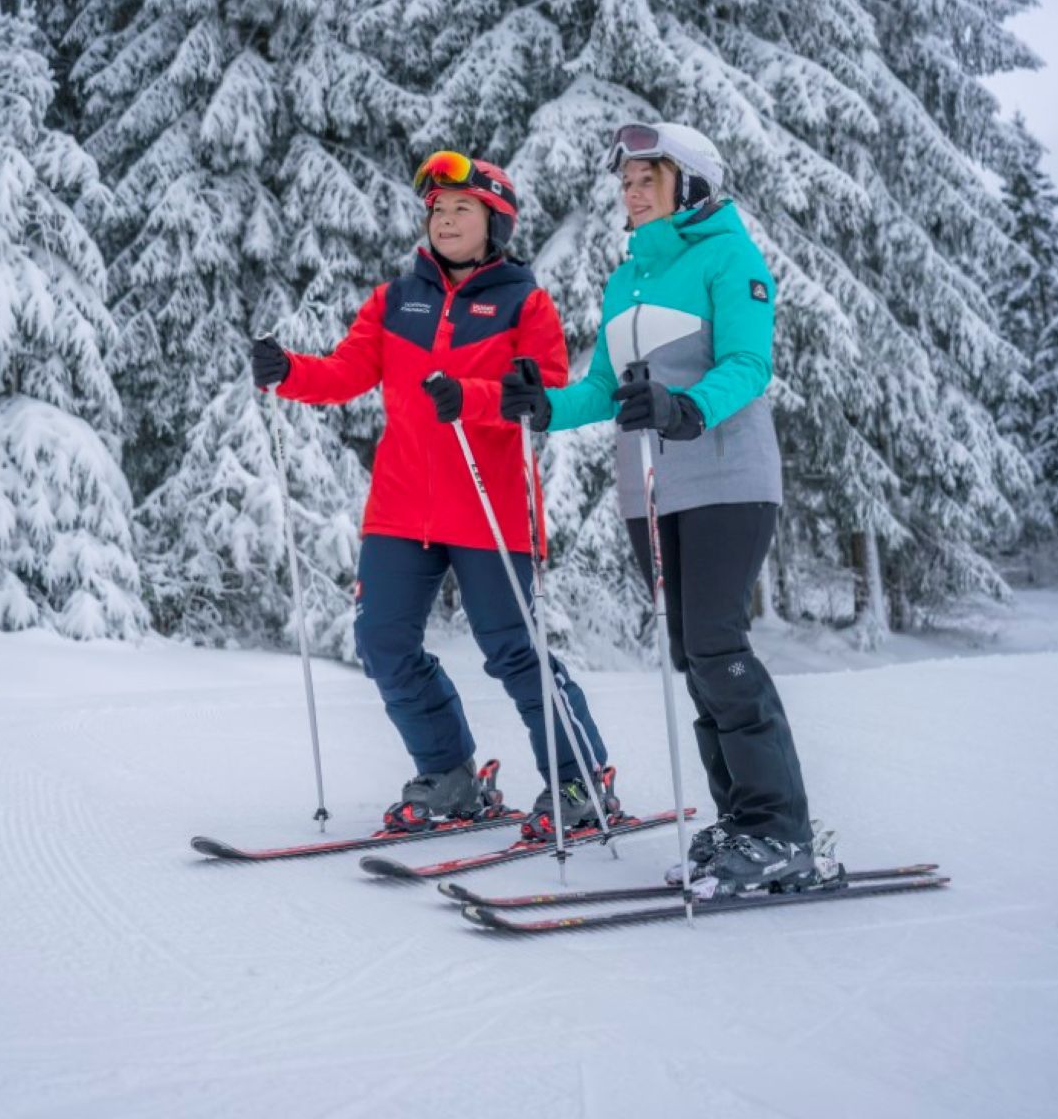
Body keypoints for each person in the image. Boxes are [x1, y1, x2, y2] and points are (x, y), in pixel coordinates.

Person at [497, 121, 827, 895]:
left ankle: (782, 832)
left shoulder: (729, 256)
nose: (632, 191)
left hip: (728, 477)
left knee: (717, 644)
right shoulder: (628, 280)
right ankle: (743, 821)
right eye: (626, 181)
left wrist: (683, 407)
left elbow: (749, 366)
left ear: (692, 182)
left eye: (649, 177)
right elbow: (604, 392)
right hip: (652, 492)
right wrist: (542, 407)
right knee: (691, 653)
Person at [251, 151, 617, 840]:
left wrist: (471, 399)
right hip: (401, 509)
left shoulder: (524, 303)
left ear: (495, 223)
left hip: (490, 505)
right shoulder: (396, 300)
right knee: (383, 640)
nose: (446, 221)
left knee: (512, 648)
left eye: (462, 210)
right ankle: (449, 774)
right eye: (438, 211)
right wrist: (289, 371)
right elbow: (345, 371)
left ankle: (579, 778)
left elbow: (546, 392)